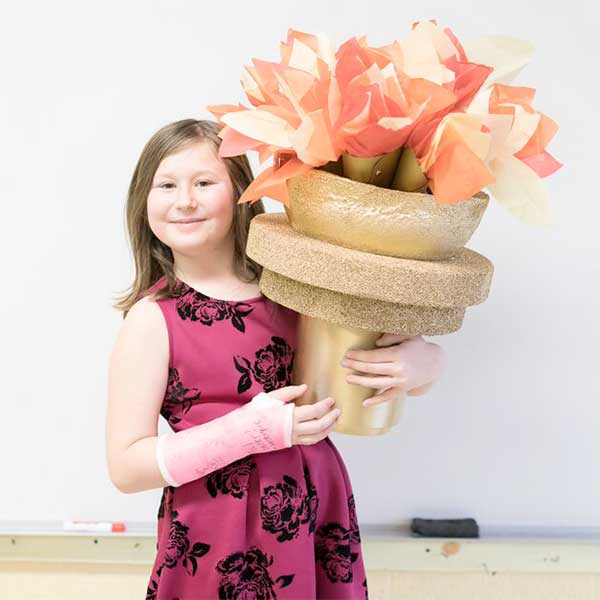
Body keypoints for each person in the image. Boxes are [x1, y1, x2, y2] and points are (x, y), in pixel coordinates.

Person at [106, 118, 446, 599]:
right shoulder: (152, 319)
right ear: (144, 202)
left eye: (204, 183)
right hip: (216, 529)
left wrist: (425, 365)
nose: (184, 200)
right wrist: (251, 432)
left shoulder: (298, 290)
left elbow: (374, 361)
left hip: (313, 512)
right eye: (166, 185)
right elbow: (126, 466)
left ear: (242, 192)